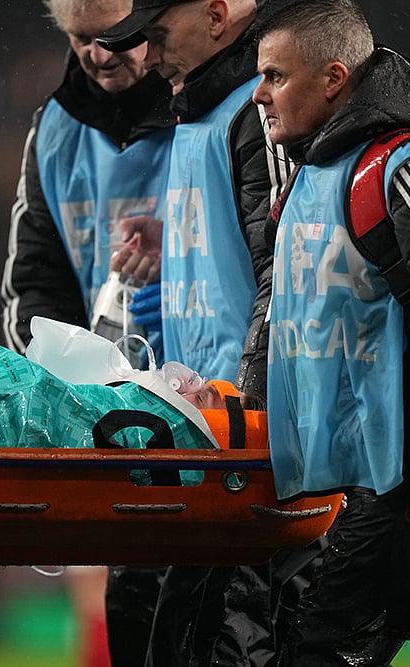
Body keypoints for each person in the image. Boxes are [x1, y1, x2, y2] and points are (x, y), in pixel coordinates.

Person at [253, 0, 410, 663]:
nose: (259, 94)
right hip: (369, 479)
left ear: (334, 78)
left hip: (405, 479)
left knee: (316, 651)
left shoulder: (402, 165)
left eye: (275, 75)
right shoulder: (309, 171)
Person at [97, 1, 293, 664]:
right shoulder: (203, 112)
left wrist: (249, 404)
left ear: (215, 16)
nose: (147, 58)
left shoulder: (254, 110)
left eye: (156, 36)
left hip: (244, 445)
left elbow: (283, 275)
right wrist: (173, 243)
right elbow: (241, 256)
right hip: (207, 438)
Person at [0, 1, 177, 663]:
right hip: (113, 421)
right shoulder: (53, 129)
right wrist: (68, 389)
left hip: (209, 410)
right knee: (131, 618)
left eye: (116, 38)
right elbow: (33, 280)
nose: (100, 54)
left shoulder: (212, 111)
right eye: (81, 40)